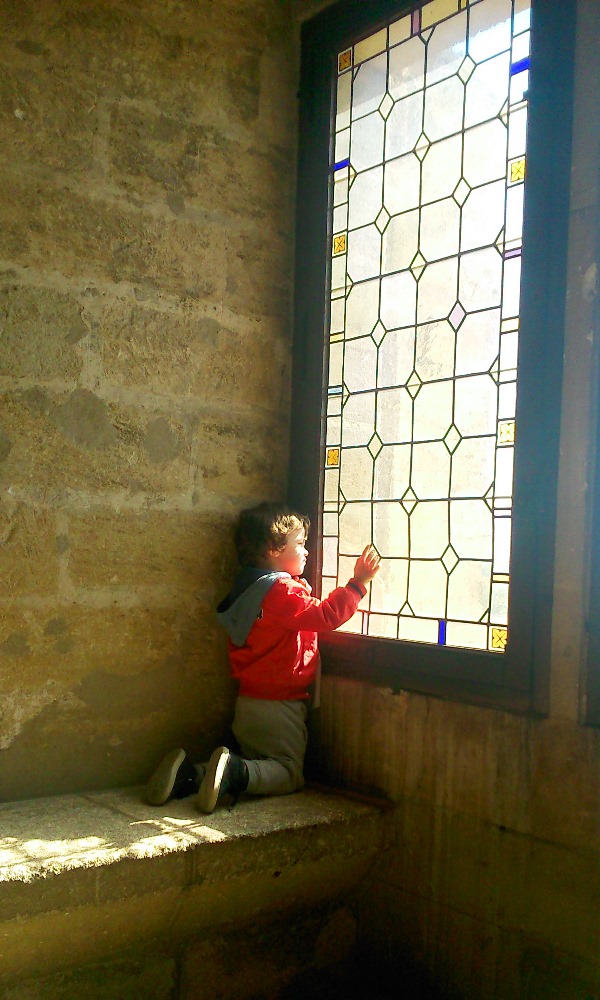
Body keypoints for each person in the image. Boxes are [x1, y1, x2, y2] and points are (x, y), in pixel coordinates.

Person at [145, 501, 380, 814]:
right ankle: (234, 773)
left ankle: (190, 775)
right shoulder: (281, 591)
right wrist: (358, 584)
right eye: (300, 544)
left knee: (255, 759)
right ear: (273, 548)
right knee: (287, 772)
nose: (307, 551)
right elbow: (324, 615)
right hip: (280, 703)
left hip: (248, 700)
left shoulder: (246, 590)